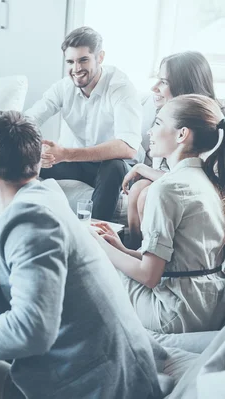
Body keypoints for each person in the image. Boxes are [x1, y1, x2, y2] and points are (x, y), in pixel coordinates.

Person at [0, 111, 163, 399]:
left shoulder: (30, 225)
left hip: (88, 389)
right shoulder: (44, 197)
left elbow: (32, 330)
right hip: (102, 370)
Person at [93, 94, 225, 334]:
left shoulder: (166, 188)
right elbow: (180, 262)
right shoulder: (209, 182)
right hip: (209, 308)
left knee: (91, 264)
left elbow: (149, 277)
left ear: (182, 134)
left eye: (157, 123)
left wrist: (99, 247)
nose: (149, 133)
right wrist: (121, 249)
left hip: (174, 314)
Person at [24, 26, 142, 221]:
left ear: (100, 57)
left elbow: (128, 147)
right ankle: (20, 223)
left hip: (115, 168)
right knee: (26, 158)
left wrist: (66, 154)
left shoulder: (120, 88)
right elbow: (30, 119)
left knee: (113, 166)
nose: (76, 69)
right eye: (70, 62)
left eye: (83, 60)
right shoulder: (63, 87)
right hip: (77, 164)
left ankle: (96, 235)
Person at [123, 51, 220, 248]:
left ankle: (149, 261)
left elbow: (198, 184)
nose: (154, 88)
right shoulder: (166, 119)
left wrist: (143, 170)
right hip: (177, 186)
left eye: (163, 82)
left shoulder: (206, 128)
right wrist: (143, 168)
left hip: (203, 198)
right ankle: (135, 249)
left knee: (144, 195)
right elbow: (173, 173)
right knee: (138, 189)